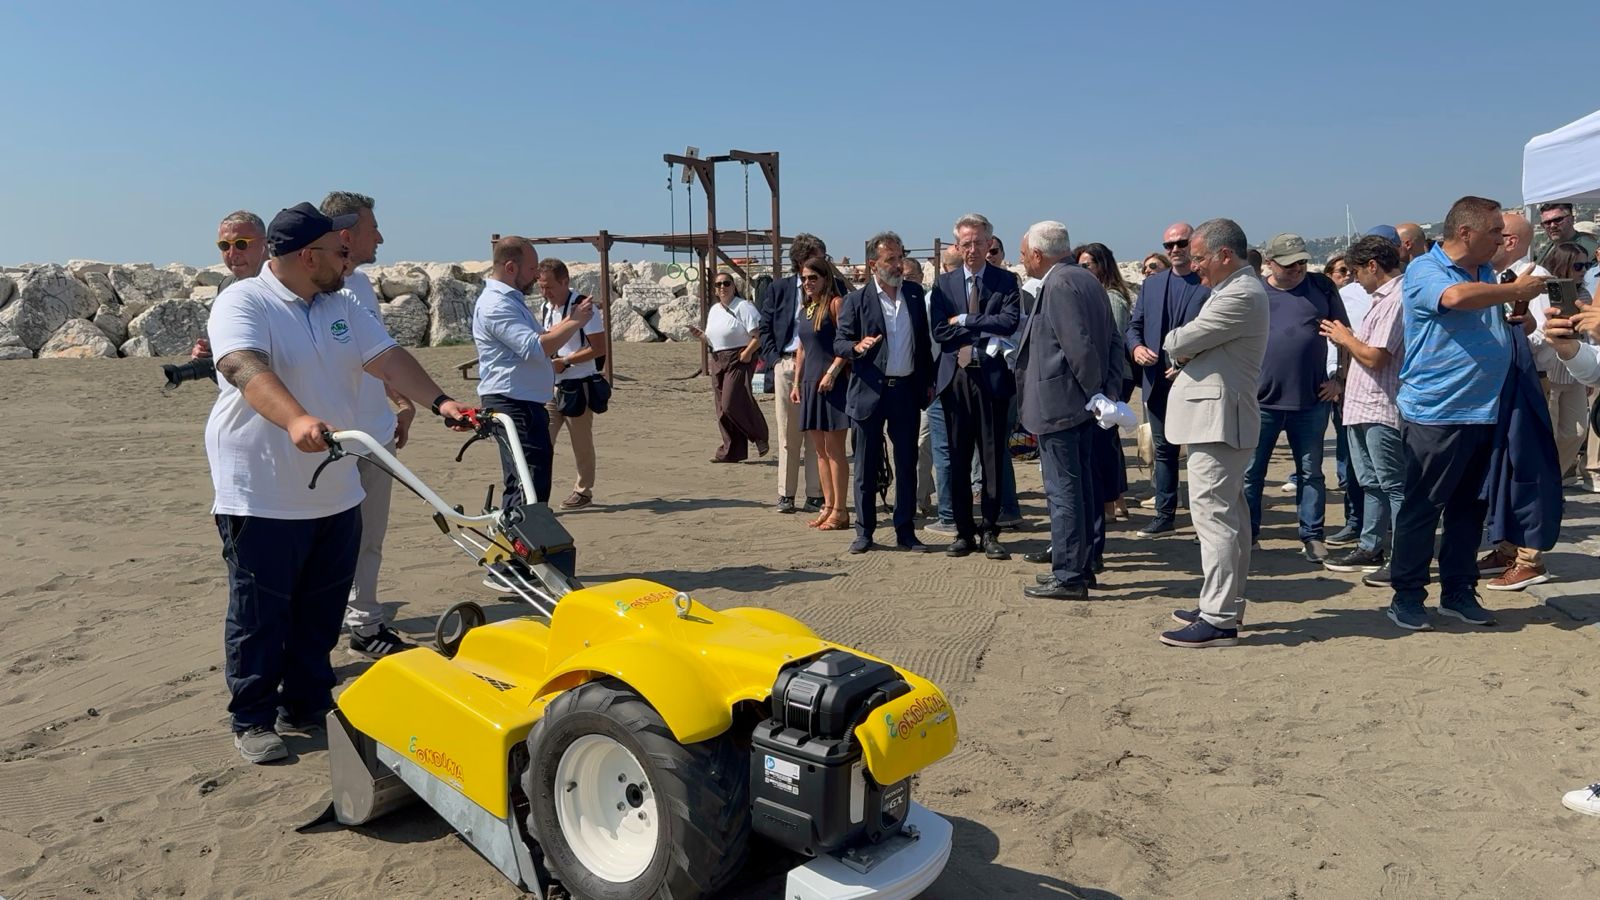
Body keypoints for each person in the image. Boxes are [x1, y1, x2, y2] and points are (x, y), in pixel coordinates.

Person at [205, 202, 473, 763]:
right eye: (340, 251)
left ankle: (304, 702)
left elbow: (387, 359)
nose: (348, 258)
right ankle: (252, 718)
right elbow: (243, 366)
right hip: (263, 492)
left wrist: (442, 401)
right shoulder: (244, 300)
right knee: (260, 614)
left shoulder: (340, 304)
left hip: (335, 485)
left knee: (321, 610)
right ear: (308, 256)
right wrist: (296, 418)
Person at [1385, 196, 1547, 631]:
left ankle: (1458, 591)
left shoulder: (1488, 272)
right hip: (1437, 412)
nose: (1501, 239)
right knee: (1423, 508)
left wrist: (1519, 319)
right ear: (1465, 233)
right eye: (1494, 231)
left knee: (1469, 509)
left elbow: (1486, 315)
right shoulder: (1425, 269)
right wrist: (1514, 291)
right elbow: (1454, 298)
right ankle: (1407, 595)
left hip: (1485, 410)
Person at [1156, 219, 1270, 647]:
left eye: (1200, 257)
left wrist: (1179, 343)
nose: (1193, 264)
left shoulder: (1240, 294)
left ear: (1225, 255)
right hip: (1220, 418)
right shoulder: (1231, 291)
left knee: (1214, 518)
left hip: (1220, 420)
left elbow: (1180, 339)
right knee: (1232, 517)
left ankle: (1219, 617)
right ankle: (1224, 605)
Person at [316, 191, 413, 659]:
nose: (381, 237)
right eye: (373, 228)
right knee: (327, 541)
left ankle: (365, 622)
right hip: (332, 441)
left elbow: (373, 354)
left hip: (376, 433)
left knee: (369, 537)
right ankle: (324, 629)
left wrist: (400, 398)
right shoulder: (311, 289)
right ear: (346, 234)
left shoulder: (362, 285)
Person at [1478, 238, 1589, 591]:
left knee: (1534, 467)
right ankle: (1512, 545)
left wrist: (1525, 331)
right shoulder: (1496, 277)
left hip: (1543, 381)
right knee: (1515, 468)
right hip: (1532, 380)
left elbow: (1547, 333)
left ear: (1508, 240)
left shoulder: (1533, 278)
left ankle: (1527, 553)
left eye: (1495, 234)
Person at [1017, 222, 1115, 599]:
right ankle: (1081, 563)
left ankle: (1070, 573)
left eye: (1025, 253)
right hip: (1079, 404)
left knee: (1064, 492)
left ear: (1039, 255)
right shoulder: (1086, 279)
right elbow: (1107, 340)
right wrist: (1102, 393)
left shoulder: (1059, 284)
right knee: (1082, 486)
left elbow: (1079, 347)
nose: (1023, 260)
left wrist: (1095, 393)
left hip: (1062, 404)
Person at [1242, 233, 1349, 562]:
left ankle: (1312, 535)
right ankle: (1248, 533)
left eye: (1302, 262)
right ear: (1270, 263)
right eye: (1290, 264)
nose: (1298, 269)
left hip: (1311, 400)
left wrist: (1339, 379)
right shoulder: (1253, 291)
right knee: (1251, 473)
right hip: (1261, 402)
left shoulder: (1321, 288)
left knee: (1311, 472)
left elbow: (1344, 334)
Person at [472, 238, 595, 516]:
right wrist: (575, 321)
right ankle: (518, 553)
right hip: (513, 402)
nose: (536, 277)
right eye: (532, 270)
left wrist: (573, 316)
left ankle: (524, 548)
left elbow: (539, 338)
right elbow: (535, 348)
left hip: (523, 402)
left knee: (532, 479)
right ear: (512, 267)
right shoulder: (495, 304)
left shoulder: (509, 301)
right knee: (525, 483)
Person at [836, 232, 936, 553]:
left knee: (906, 464)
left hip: (906, 391)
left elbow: (923, 344)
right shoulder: (856, 300)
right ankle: (864, 532)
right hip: (869, 392)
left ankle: (905, 531)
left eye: (899, 256)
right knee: (866, 466)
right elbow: (839, 342)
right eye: (889, 259)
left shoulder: (915, 295)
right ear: (873, 264)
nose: (897, 264)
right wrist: (856, 346)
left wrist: (928, 381)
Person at [931, 213, 1021, 560]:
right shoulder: (944, 284)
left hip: (992, 379)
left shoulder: (1005, 281)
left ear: (990, 244)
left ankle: (991, 531)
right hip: (955, 379)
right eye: (965, 244)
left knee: (992, 458)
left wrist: (967, 320)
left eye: (978, 243)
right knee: (956, 457)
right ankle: (963, 531)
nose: (972, 249)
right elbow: (940, 331)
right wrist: (985, 328)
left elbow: (1009, 321)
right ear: (957, 246)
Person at [1319, 236, 1406, 578]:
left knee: (1392, 484)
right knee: (1371, 482)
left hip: (1380, 406)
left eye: (1357, 272)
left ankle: (1401, 556)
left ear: (1372, 266)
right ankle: (1371, 546)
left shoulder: (1396, 298)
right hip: (1363, 405)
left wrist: (1345, 338)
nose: (1355, 280)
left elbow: (1375, 355)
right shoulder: (1381, 299)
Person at [1126, 222, 1210, 538]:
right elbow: (1134, 326)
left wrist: (1189, 363)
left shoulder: (1208, 284)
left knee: (1202, 452)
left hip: (1197, 381)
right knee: (1164, 451)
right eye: (1168, 245)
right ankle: (1165, 515)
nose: (1175, 249)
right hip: (1158, 383)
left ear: (1193, 244)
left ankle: (1205, 518)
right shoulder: (1152, 285)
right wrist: (1136, 348)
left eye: (1181, 243)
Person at [758, 234, 832, 515]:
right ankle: (785, 494)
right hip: (787, 365)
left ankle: (815, 494)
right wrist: (775, 360)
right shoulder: (780, 289)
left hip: (817, 367)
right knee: (788, 434)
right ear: (801, 259)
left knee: (816, 434)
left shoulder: (828, 291)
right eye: (817, 255)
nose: (823, 260)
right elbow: (765, 326)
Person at [538, 258, 608, 509]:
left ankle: (583, 490)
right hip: (550, 387)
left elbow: (599, 348)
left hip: (578, 385)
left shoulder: (584, 308)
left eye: (549, 287)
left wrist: (565, 361)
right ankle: (537, 495)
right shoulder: (547, 308)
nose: (545, 292)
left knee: (581, 442)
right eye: (541, 286)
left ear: (565, 281)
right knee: (541, 441)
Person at [792, 258, 852, 532]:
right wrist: (796, 382)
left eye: (812, 278)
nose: (807, 283)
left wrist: (833, 372)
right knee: (819, 451)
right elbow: (802, 349)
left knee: (835, 450)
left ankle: (841, 509)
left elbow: (846, 343)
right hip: (810, 383)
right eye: (804, 279)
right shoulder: (806, 308)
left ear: (825, 278)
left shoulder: (835, 304)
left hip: (833, 383)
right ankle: (827, 506)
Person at [1076, 242, 1134, 522]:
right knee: (1108, 443)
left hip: (1111, 378)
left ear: (1102, 265)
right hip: (1106, 378)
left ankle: (1108, 505)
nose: (1082, 270)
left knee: (1102, 442)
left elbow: (1113, 342)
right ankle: (1117, 500)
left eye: (1087, 265)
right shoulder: (1098, 294)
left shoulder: (1110, 298)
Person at [694, 273, 769, 463]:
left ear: (734, 286)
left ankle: (759, 435)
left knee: (731, 402)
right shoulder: (714, 310)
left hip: (738, 357)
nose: (722, 287)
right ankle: (731, 451)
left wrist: (747, 353)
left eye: (726, 283)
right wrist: (701, 336)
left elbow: (758, 334)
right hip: (718, 358)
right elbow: (714, 339)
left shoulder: (743, 306)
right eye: (718, 284)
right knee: (721, 408)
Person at [190, 212, 271, 362]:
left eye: (241, 244)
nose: (232, 253)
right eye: (225, 245)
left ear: (265, 244)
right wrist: (209, 350)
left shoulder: (287, 283)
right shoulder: (226, 286)